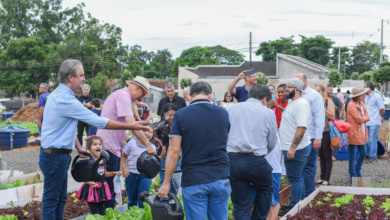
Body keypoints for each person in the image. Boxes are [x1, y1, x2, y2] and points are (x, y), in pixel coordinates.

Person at [39, 59, 150, 220]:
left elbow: (63, 128)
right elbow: (98, 121)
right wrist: (133, 126)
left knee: (59, 199)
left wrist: (78, 146)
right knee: (52, 200)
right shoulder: (66, 100)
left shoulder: (58, 95)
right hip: (55, 157)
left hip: (57, 155)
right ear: (71, 77)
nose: (84, 79)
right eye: (81, 75)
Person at [158, 82, 231, 220]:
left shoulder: (180, 115)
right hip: (221, 178)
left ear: (191, 96)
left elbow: (174, 151)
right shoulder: (223, 113)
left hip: (194, 179)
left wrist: (166, 183)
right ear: (210, 95)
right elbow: (225, 141)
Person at [96, 76, 155, 209]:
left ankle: (106, 215)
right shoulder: (124, 97)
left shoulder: (119, 95)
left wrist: (128, 138)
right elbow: (131, 124)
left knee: (109, 187)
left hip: (109, 146)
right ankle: (107, 217)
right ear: (137, 88)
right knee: (109, 189)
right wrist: (148, 144)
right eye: (142, 95)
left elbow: (120, 123)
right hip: (109, 148)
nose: (140, 98)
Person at [227, 85, 277, 220]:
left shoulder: (231, 108)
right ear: (265, 99)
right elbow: (272, 141)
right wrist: (262, 152)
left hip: (233, 160)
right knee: (266, 188)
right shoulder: (268, 112)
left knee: (240, 201)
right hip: (256, 160)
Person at [278, 78, 312, 216]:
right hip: (292, 148)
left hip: (297, 149)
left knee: (295, 178)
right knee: (297, 177)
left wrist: (292, 148)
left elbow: (301, 128)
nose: (286, 90)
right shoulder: (294, 103)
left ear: (297, 89)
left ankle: (294, 207)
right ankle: (299, 204)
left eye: (288, 88)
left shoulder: (301, 105)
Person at [294, 74, 325, 198]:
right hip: (298, 137)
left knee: (309, 167)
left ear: (305, 81)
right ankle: (300, 196)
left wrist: (318, 137)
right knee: (298, 168)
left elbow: (319, 117)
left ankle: (308, 195)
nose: (297, 83)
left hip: (311, 136)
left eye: (299, 80)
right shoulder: (295, 94)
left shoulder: (314, 95)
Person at [121, 123, 165, 209]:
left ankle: (142, 216)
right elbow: (123, 157)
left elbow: (153, 163)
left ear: (153, 134)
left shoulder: (152, 147)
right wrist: (124, 169)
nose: (146, 133)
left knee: (143, 199)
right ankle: (132, 216)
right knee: (132, 200)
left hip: (145, 176)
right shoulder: (132, 143)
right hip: (131, 175)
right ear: (139, 132)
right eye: (144, 131)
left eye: (149, 131)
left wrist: (161, 157)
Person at [75, 135, 121, 215]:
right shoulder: (88, 163)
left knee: (102, 212)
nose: (98, 146)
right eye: (95, 144)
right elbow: (84, 178)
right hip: (91, 190)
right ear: (88, 149)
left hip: (102, 189)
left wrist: (114, 173)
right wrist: (91, 183)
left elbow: (104, 174)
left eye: (100, 144)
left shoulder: (103, 160)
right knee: (95, 213)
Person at [156, 103, 182, 196]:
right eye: (169, 115)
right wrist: (157, 141)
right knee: (164, 181)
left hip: (177, 158)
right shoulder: (160, 127)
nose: (172, 117)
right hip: (164, 157)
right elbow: (150, 134)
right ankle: (164, 203)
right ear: (165, 115)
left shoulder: (180, 126)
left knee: (176, 183)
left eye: (174, 114)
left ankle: (173, 202)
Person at [347, 85, 370, 182]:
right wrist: (365, 117)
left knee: (363, 153)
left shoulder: (361, 103)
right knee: (353, 155)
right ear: (359, 95)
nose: (365, 95)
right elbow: (359, 119)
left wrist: (364, 117)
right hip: (354, 133)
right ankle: (353, 174)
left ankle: (356, 172)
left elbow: (366, 116)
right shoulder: (351, 105)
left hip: (361, 133)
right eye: (363, 94)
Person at [315, 85, 335, 186]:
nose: (316, 93)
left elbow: (332, 115)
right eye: (315, 91)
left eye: (318, 91)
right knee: (321, 155)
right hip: (318, 132)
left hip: (326, 131)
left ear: (323, 92)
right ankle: (322, 177)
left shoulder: (328, 101)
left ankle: (327, 178)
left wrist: (322, 108)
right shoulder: (314, 102)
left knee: (327, 155)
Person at [365, 81, 385, 163]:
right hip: (367, 122)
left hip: (374, 122)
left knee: (373, 140)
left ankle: (373, 156)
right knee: (368, 140)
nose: (364, 89)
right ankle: (370, 154)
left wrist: (379, 117)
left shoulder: (377, 96)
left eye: (364, 87)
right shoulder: (366, 97)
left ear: (368, 88)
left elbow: (382, 109)